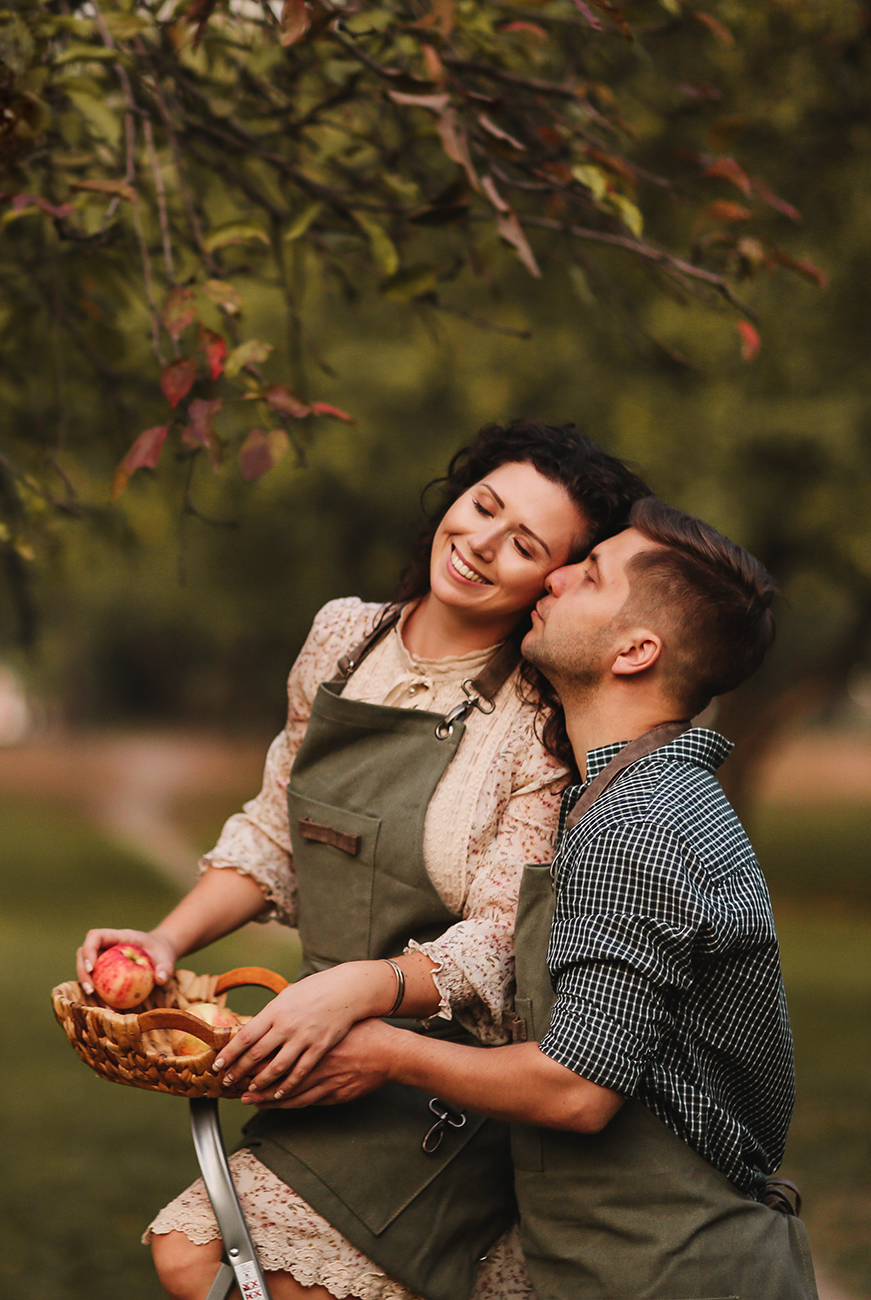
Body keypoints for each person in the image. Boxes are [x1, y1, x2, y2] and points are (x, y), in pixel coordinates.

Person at [74, 421, 651, 1300]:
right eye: (482, 505)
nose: (482, 543)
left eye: (525, 543)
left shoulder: (540, 724)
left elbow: (504, 938)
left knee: (205, 1259)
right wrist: (164, 939)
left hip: (450, 1082)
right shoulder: (342, 641)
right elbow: (277, 834)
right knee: (201, 1258)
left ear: (555, 584)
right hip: (320, 1051)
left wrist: (362, 992)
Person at [262, 498, 820, 1300]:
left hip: (678, 1274)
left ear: (635, 650)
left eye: (588, 575)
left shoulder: (641, 824)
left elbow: (579, 1086)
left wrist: (385, 1050)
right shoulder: (622, 797)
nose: (553, 574)